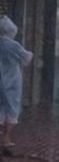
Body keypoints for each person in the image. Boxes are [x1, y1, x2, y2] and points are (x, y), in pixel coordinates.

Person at [0, 15, 34, 147]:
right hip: (12, 82)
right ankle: (6, 139)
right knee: (12, 110)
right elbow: (26, 58)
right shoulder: (13, 45)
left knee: (1, 108)